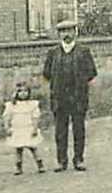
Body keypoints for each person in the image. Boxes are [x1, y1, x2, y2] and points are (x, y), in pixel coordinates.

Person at [42, 18, 97, 171]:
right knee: (60, 131)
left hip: (78, 97)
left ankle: (78, 159)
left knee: (78, 129)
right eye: (63, 31)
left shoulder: (84, 52)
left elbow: (91, 72)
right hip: (60, 98)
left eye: (69, 30)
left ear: (75, 32)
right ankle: (61, 161)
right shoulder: (52, 53)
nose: (66, 34)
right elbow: (46, 74)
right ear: (59, 34)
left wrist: (79, 84)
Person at [3, 82, 46, 175]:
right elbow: (7, 117)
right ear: (16, 93)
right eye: (20, 91)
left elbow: (35, 117)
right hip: (17, 129)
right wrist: (7, 128)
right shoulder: (12, 105)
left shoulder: (32, 104)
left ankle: (40, 165)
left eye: (25, 91)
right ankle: (18, 167)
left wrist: (34, 128)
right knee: (18, 149)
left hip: (28, 128)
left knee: (33, 147)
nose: (23, 93)